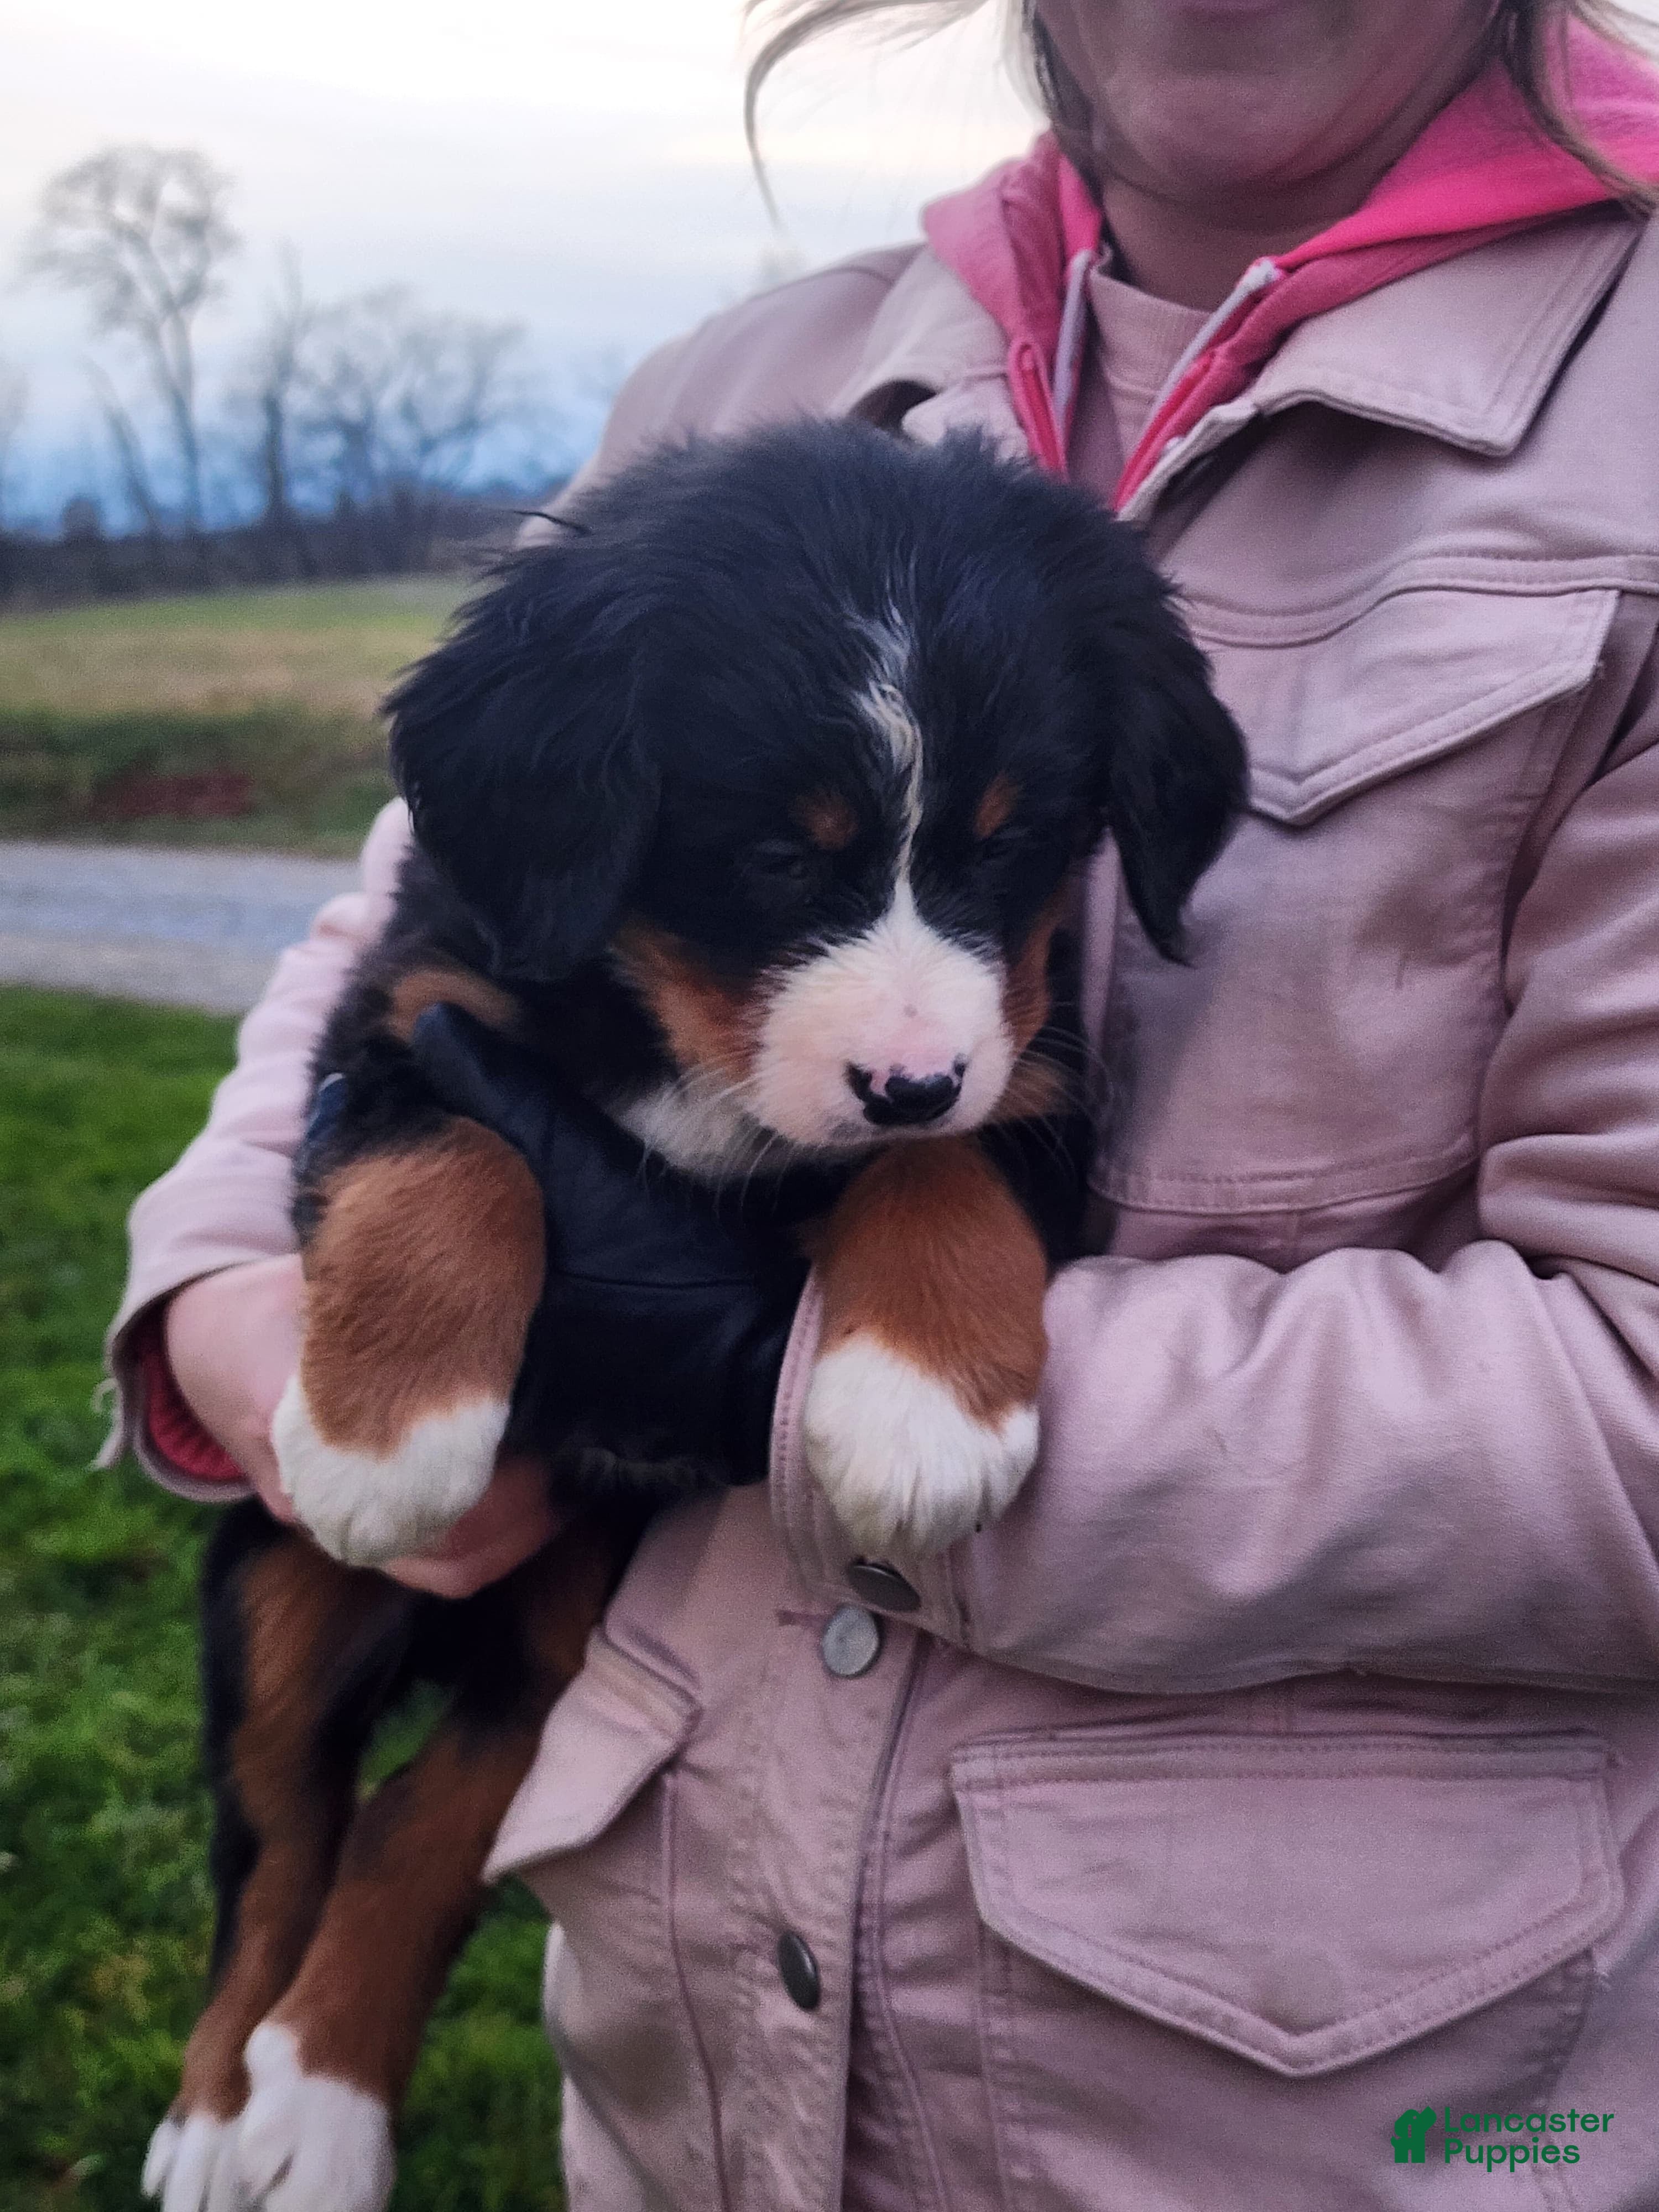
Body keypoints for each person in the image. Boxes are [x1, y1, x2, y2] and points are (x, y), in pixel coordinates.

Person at [108, 1, 1659, 2203]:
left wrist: (760, 1363)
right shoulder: (740, 392)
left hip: (1335, 2114)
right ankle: (276, 1991)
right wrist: (232, 1313)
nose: (935, 1025)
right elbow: (426, 921)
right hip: (688, 2084)